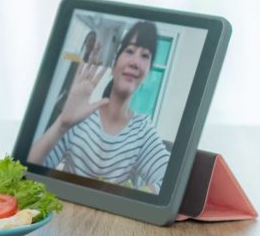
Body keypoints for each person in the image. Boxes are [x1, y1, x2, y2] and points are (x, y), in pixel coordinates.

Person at [27, 21, 169, 192]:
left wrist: (130, 197)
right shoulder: (81, 115)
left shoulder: (142, 130)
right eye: (130, 51)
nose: (135, 62)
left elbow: (169, 182)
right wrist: (62, 123)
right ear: (114, 63)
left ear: (147, 73)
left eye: (145, 56)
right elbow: (27, 169)